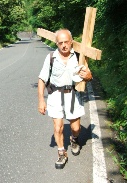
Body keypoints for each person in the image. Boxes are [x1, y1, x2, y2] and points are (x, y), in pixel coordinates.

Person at [38, 29, 92, 169]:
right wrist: (41, 100)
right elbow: (42, 79)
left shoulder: (80, 56)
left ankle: (74, 139)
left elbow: (88, 75)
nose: (64, 45)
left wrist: (88, 77)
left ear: (71, 41)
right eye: (60, 43)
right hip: (55, 95)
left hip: (73, 95)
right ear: (56, 43)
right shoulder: (51, 57)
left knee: (76, 128)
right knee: (58, 127)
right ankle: (61, 153)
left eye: (66, 42)